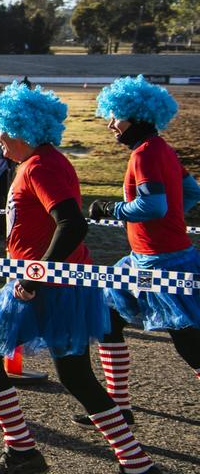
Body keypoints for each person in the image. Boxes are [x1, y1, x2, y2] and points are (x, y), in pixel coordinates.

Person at [0, 82, 157, 474]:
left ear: (24, 127)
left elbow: (71, 224)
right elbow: (37, 220)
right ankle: (135, 463)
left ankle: (23, 453)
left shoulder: (40, 165)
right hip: (55, 280)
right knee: (76, 376)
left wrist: (36, 277)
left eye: (1, 128)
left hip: (44, 284)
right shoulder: (39, 162)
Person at [75, 76, 200, 429]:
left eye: (115, 117)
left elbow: (153, 205)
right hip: (148, 258)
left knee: (191, 346)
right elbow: (191, 192)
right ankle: (117, 407)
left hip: (163, 263)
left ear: (136, 115)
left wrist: (112, 210)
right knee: (106, 314)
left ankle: (118, 407)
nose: (111, 124)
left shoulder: (144, 155)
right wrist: (172, 216)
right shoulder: (163, 149)